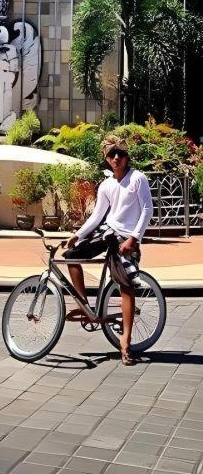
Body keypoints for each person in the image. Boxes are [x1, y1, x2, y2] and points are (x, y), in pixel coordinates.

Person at [63, 134, 152, 366]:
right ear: (106, 159)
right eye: (111, 155)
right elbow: (97, 216)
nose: (116, 158)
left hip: (127, 238)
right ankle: (84, 305)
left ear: (126, 156)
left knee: (125, 285)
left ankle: (126, 343)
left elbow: (147, 210)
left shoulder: (137, 178)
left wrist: (134, 238)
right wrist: (78, 235)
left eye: (120, 154)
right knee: (71, 257)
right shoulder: (106, 185)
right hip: (107, 232)